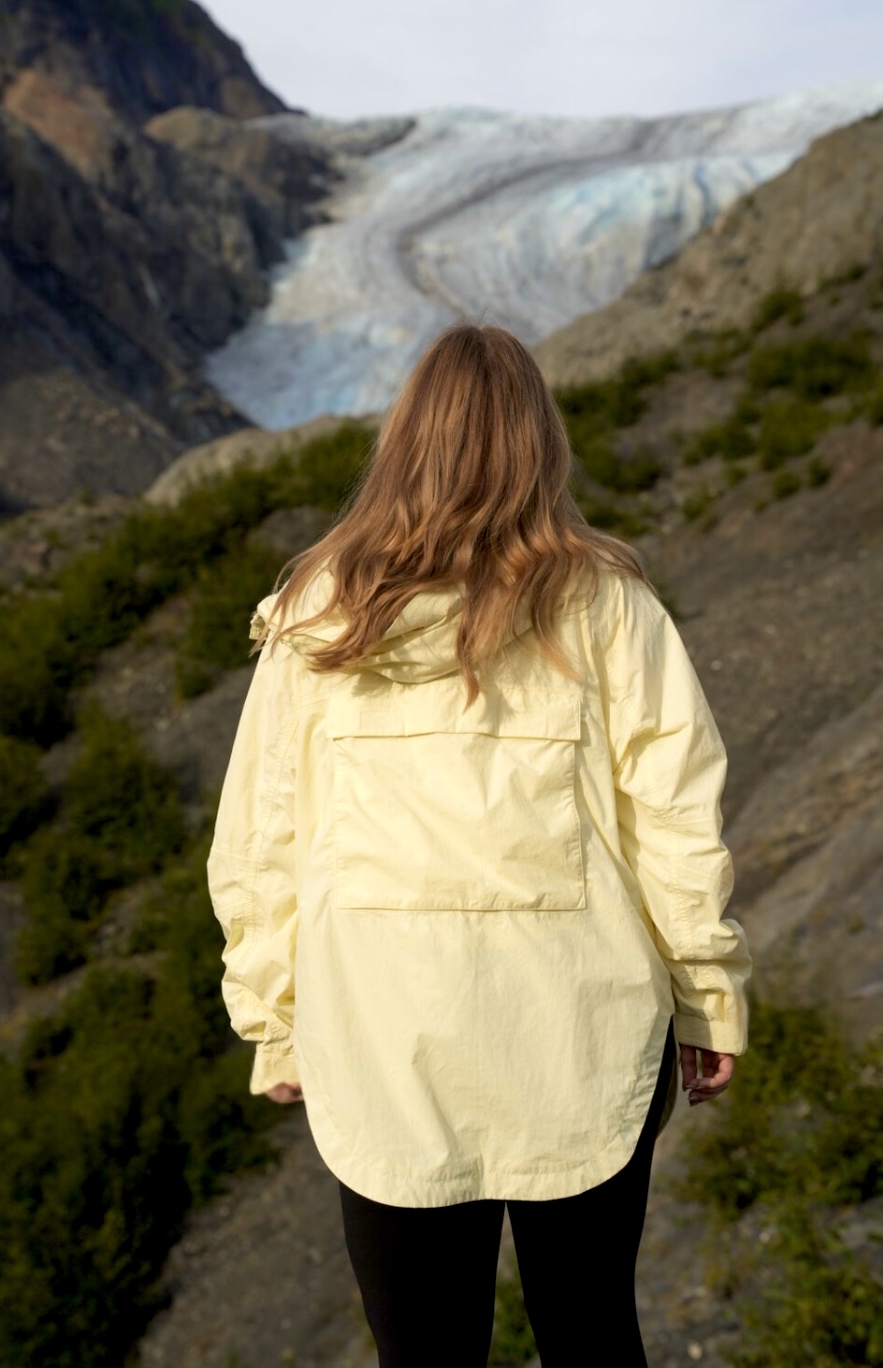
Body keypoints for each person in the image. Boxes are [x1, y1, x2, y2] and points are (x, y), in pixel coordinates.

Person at [207, 324, 751, 1367]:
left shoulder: (317, 618)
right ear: (540, 444)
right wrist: (708, 992)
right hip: (584, 1039)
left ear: (401, 441)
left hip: (381, 1046)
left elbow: (262, 840)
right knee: (593, 1338)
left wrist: (274, 1017)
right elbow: (676, 821)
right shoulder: (609, 606)